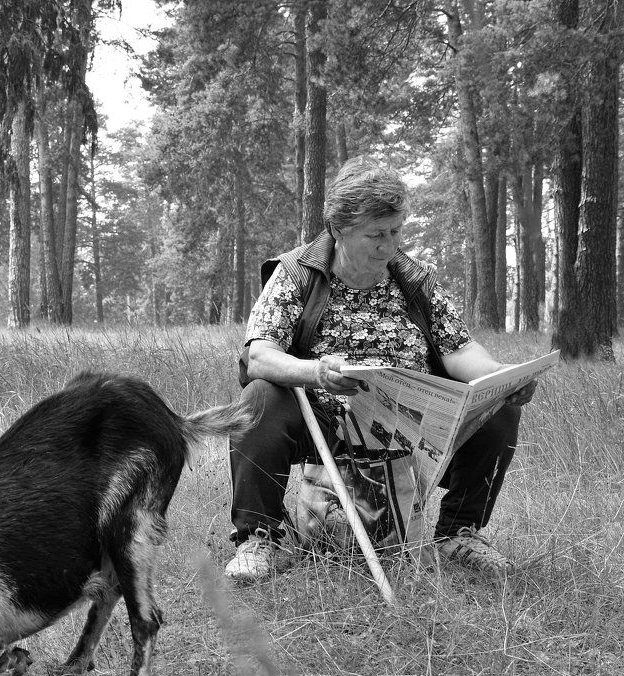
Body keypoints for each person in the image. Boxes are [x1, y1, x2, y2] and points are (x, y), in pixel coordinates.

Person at [225, 158, 536, 583]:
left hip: (412, 422)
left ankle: (458, 534)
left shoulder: (415, 279)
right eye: (376, 235)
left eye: (395, 232)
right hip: (326, 419)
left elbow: (458, 349)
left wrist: (502, 375)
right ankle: (262, 538)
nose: (388, 246)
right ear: (338, 229)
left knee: (500, 405)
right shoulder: (298, 272)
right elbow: (260, 354)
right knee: (260, 395)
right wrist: (316, 371)